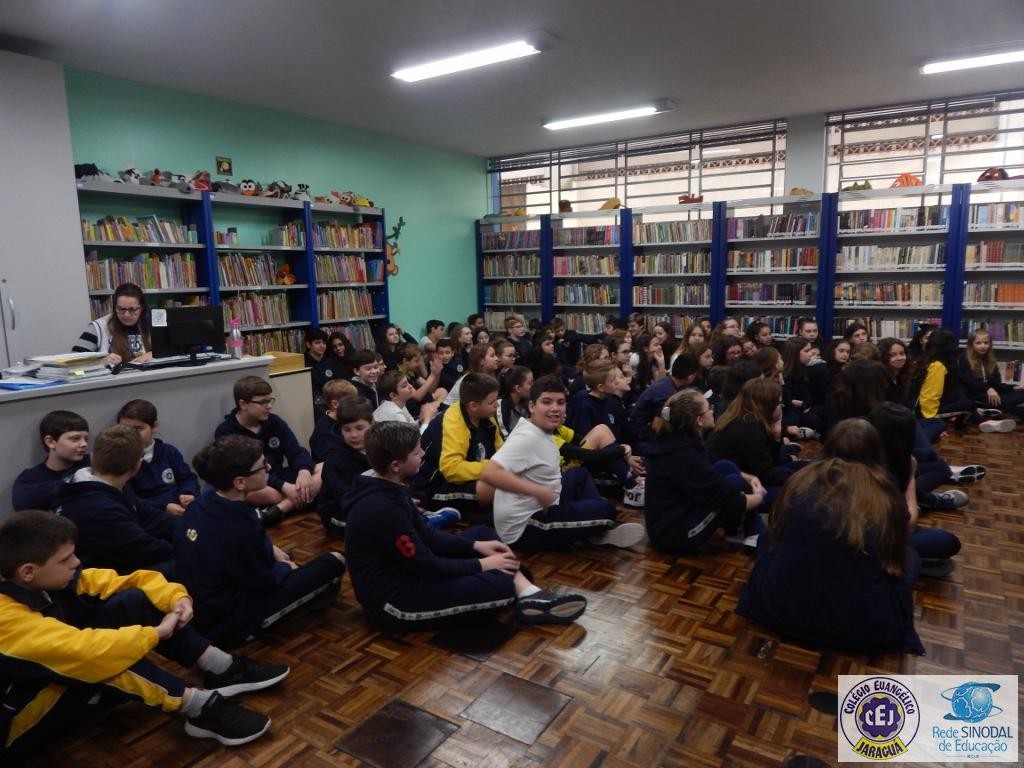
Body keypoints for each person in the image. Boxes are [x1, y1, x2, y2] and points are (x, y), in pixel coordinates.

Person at [0, 510, 288, 759]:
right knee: (99, 661)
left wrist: (176, 599)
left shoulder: (38, 579)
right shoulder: (6, 619)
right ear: (28, 572)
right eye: (65, 559)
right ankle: (198, 708)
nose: (76, 563)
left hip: (53, 671)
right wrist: (154, 634)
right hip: (13, 727)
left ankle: (220, 668)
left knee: (134, 602)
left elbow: (132, 581)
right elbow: (86, 654)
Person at [344, 422, 588, 630]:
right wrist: (482, 565)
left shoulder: (391, 486)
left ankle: (529, 595)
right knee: (500, 582)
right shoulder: (382, 509)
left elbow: (428, 535)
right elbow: (425, 564)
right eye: (417, 452)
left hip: (411, 574)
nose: (423, 454)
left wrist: (475, 546)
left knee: (483, 536)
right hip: (394, 603)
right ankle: (525, 594)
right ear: (396, 465)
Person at [737, 419, 924, 654]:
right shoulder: (883, 493)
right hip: (855, 625)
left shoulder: (799, 480)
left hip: (778, 607)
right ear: (876, 453)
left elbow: (775, 534)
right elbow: (895, 554)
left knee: (769, 543)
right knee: (912, 557)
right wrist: (911, 479)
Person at [175, 435, 346, 645]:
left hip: (205, 604)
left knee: (281, 556)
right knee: (335, 561)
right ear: (240, 482)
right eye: (263, 466)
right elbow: (263, 582)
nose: (269, 468)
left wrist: (271, 550)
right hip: (229, 619)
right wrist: (285, 567)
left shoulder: (201, 504)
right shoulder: (240, 528)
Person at [481, 376, 645, 551]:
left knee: (578, 475)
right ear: (532, 406)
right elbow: (490, 473)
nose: (555, 408)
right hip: (525, 526)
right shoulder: (526, 437)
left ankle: (597, 530)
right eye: (546, 402)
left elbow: (584, 444)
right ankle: (599, 529)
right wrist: (537, 491)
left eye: (560, 402)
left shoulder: (545, 431)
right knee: (606, 509)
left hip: (548, 503)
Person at [644, 389, 767, 552]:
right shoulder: (685, 457)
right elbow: (730, 501)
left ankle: (748, 532)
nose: (712, 411)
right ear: (699, 420)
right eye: (709, 408)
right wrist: (759, 496)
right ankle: (752, 533)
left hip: (670, 521)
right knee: (734, 483)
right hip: (674, 536)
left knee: (725, 467)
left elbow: (712, 463)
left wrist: (749, 478)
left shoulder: (677, 440)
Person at [53, 425, 178, 577]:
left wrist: (189, 531)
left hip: (121, 558)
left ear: (93, 457)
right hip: (100, 577)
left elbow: (153, 518)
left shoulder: (111, 486)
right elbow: (144, 549)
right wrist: (191, 546)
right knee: (188, 563)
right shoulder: (99, 509)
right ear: (137, 466)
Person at [214, 376, 322, 527]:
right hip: (258, 483)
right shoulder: (226, 431)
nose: (269, 406)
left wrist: (304, 471)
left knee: (326, 467)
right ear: (243, 404)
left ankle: (280, 509)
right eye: (263, 402)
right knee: (243, 490)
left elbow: (295, 450)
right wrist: (284, 486)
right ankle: (308, 498)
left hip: (280, 474)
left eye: (270, 400)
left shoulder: (274, 421)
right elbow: (243, 472)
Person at [415, 373, 503, 512]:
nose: (497, 405)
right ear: (473, 406)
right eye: (492, 402)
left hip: (469, 477)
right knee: (495, 488)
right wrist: (493, 468)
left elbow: (501, 451)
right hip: (434, 486)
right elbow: (452, 469)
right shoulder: (453, 422)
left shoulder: (486, 416)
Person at [705, 377, 797, 496]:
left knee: (793, 466)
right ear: (767, 404)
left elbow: (769, 462)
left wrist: (777, 430)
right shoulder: (749, 426)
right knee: (796, 486)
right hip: (737, 487)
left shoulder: (743, 415)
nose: (781, 406)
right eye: (779, 403)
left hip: (745, 474)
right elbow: (765, 474)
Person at [914, 328, 1014, 431]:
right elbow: (929, 397)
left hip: (930, 406)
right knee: (967, 404)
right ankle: (984, 421)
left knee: (962, 398)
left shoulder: (929, 360)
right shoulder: (937, 366)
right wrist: (931, 421)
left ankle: (982, 421)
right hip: (927, 413)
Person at [117, 399, 199, 516]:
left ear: (154, 427)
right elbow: (131, 499)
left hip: (180, 506)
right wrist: (164, 507)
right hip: (150, 515)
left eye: (138, 429)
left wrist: (188, 494)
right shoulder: (121, 460)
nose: (131, 434)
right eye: (125, 429)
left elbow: (188, 478)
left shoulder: (169, 451)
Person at [12, 410, 90, 511]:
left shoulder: (92, 463)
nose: (84, 444)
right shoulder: (30, 479)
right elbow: (22, 505)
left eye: (86, 439)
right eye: (75, 438)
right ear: (50, 442)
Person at [629, 353, 700, 450]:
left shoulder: (667, 382)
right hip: (642, 440)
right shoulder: (668, 395)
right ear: (691, 377)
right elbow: (657, 426)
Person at [72, 282, 153, 366]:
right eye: (121, 309)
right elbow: (73, 364)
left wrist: (156, 355)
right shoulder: (97, 328)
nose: (126, 315)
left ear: (142, 308)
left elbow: (162, 355)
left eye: (133, 309)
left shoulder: (152, 325)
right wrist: (100, 362)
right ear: (114, 308)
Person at [958, 328, 1024, 419]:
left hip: (993, 393)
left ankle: (997, 412)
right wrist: (988, 388)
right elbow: (969, 381)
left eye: (986, 343)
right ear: (971, 344)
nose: (983, 346)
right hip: (973, 394)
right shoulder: (964, 359)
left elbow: (997, 384)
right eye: (978, 343)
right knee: (1004, 402)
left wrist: (1014, 387)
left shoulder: (990, 360)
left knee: (1020, 394)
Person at [309, 378, 358, 463]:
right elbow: (332, 460)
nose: (355, 404)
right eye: (350, 401)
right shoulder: (323, 430)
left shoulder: (349, 418)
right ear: (335, 404)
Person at [303, 328, 344, 405]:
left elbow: (338, 382)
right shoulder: (302, 364)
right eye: (317, 343)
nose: (322, 346)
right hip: (313, 403)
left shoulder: (331, 361)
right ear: (308, 345)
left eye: (324, 343)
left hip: (334, 400)